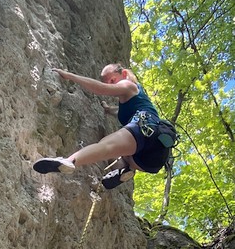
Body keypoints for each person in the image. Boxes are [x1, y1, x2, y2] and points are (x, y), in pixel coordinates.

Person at [33, 63, 174, 187]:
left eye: (112, 80)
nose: (111, 84)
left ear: (123, 73)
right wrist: (108, 109)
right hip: (150, 158)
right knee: (119, 152)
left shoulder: (128, 85)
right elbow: (120, 111)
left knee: (106, 146)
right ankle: (124, 170)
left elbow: (101, 89)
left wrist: (70, 76)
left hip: (145, 129)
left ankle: (69, 161)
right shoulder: (137, 99)